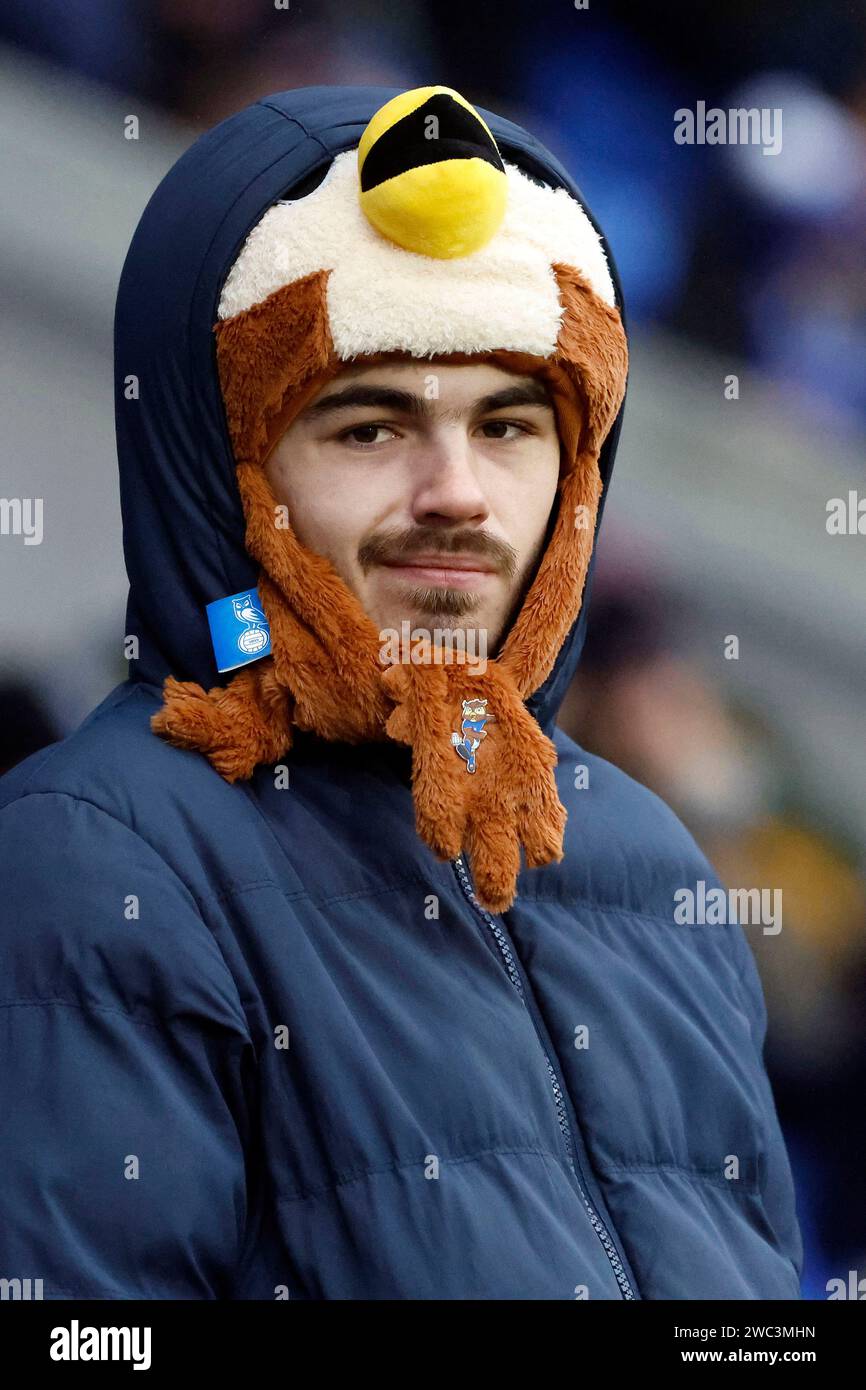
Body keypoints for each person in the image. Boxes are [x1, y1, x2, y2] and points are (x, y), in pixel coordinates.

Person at [0, 83, 803, 1300]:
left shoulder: (651, 863)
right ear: (220, 466)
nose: (457, 494)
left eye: (509, 426)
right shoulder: (90, 856)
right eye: (370, 428)